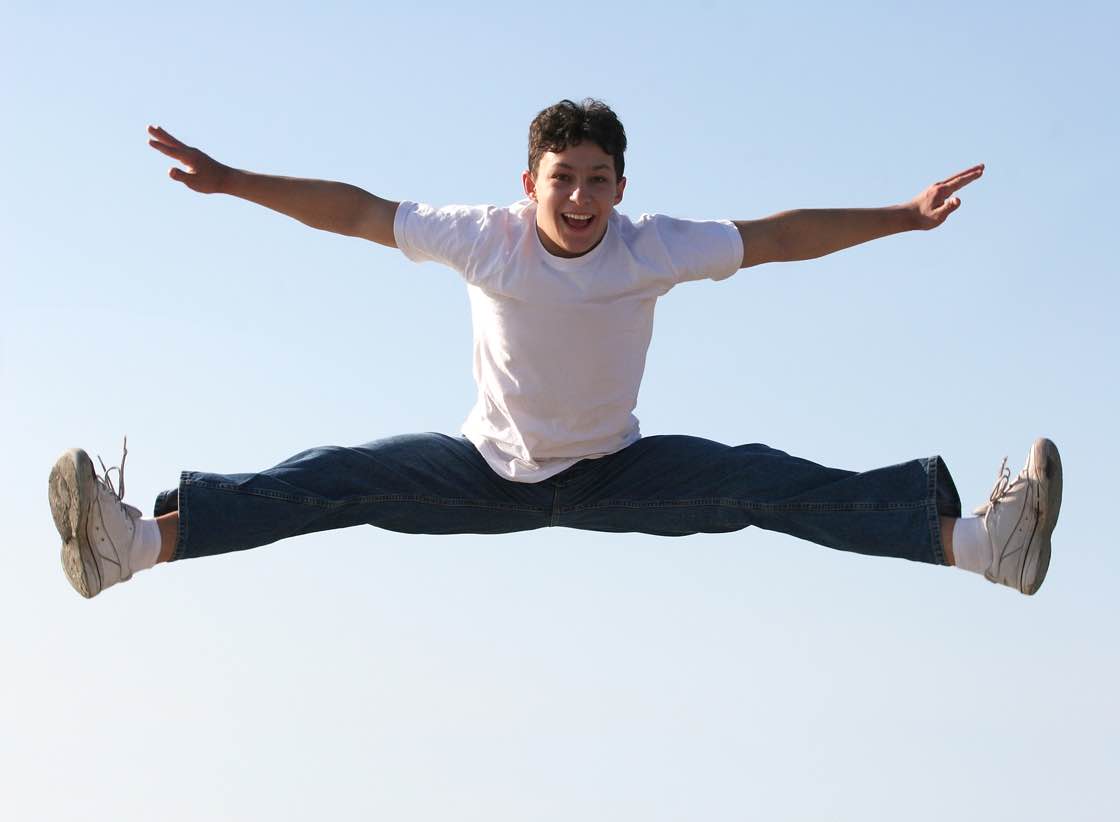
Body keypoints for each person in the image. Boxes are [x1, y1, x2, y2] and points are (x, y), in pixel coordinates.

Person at [48, 99, 1062, 600]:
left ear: (621, 186)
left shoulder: (652, 246)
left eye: (597, 181)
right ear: (527, 181)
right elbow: (355, 211)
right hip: (483, 471)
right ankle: (128, 547)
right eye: (562, 179)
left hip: (619, 471)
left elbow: (784, 235)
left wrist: (899, 215)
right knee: (339, 477)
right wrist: (233, 180)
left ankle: (981, 548)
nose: (579, 201)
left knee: (760, 480)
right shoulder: (478, 236)